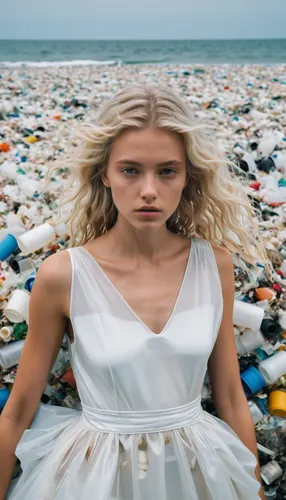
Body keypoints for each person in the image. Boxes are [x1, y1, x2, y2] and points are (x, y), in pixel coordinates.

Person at [0, 85, 270, 500]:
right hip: (96, 477)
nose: (149, 190)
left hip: (199, 470)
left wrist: (253, 489)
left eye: (166, 171)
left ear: (186, 176)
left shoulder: (213, 264)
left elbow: (231, 396)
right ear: (104, 173)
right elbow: (18, 410)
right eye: (130, 170)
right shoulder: (64, 275)